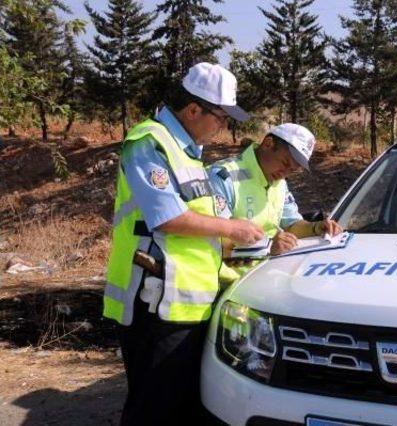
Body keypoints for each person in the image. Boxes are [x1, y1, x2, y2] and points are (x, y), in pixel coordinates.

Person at [102, 62, 263, 425]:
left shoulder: (189, 153)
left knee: (181, 409)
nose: (224, 127)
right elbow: (167, 218)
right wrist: (231, 228)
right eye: (221, 118)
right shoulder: (149, 143)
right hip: (154, 304)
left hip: (186, 307)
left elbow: (199, 227)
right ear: (193, 110)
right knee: (152, 411)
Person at [208, 123, 342, 274]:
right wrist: (268, 247)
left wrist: (315, 228)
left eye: (292, 170)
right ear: (268, 144)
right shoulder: (223, 177)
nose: (284, 173)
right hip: (229, 285)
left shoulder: (279, 183)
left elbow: (291, 225)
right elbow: (216, 240)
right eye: (285, 163)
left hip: (267, 274)